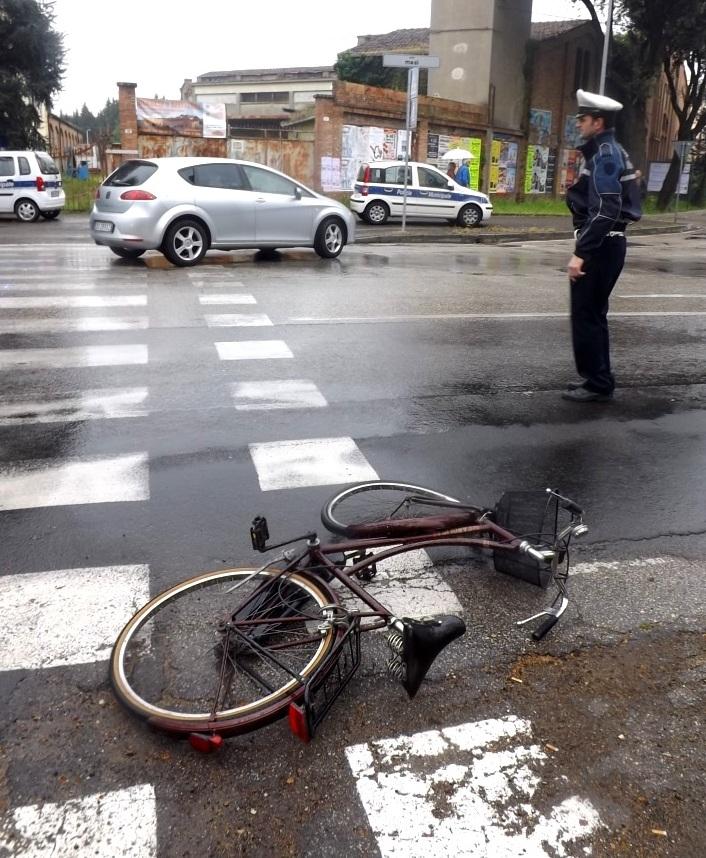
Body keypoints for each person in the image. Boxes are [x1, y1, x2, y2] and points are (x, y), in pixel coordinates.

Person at [562, 89, 642, 402]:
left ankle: (597, 382)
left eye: (583, 119)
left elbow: (606, 209)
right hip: (605, 246)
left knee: (586, 315)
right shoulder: (604, 151)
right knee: (594, 315)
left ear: (598, 121)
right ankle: (599, 377)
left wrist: (580, 254)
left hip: (601, 247)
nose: (578, 123)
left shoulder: (605, 154)